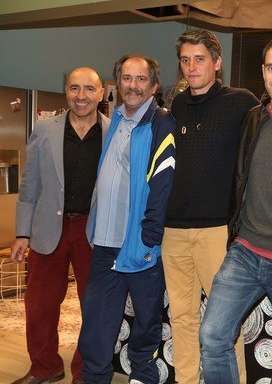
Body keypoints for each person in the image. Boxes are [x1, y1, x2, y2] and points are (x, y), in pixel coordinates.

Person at [162, 29, 272, 384]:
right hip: (245, 251)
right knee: (213, 334)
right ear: (263, 72)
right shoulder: (253, 117)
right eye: (271, 68)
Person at [78, 54, 175, 384]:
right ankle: (95, 378)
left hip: (139, 244)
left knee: (146, 323)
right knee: (96, 323)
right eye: (127, 78)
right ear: (118, 83)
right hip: (105, 244)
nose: (133, 85)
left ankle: (144, 378)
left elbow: (163, 182)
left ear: (154, 86)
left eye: (141, 79)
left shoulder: (161, 122)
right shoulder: (115, 119)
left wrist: (150, 236)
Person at [10, 68, 108, 384]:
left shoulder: (115, 132)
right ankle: (45, 366)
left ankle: (85, 371)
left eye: (89, 89)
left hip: (94, 231)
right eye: (74, 88)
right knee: (39, 304)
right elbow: (30, 183)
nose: (81, 96)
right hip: (48, 227)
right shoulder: (44, 129)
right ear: (66, 91)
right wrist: (22, 232)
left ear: (101, 93)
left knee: (94, 306)